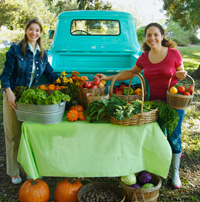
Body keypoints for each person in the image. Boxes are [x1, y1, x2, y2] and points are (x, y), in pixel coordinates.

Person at [96, 22, 187, 189]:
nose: (152, 38)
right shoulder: (144, 57)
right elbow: (130, 73)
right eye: (149, 35)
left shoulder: (174, 53)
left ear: (162, 36)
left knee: (173, 137)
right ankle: (158, 167)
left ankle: (175, 173)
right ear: (145, 38)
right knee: (157, 137)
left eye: (155, 34)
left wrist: (181, 74)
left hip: (173, 102)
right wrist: (107, 78)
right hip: (153, 103)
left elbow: (181, 75)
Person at [0, 18, 59, 184]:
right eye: (31, 29)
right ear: (26, 31)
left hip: (29, 98)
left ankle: (28, 168)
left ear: (40, 34)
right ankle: (13, 171)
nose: (34, 33)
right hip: (13, 95)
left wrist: (68, 82)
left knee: (28, 134)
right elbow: (5, 75)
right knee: (13, 135)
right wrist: (9, 93)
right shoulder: (16, 50)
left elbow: (51, 74)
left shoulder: (42, 53)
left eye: (37, 30)